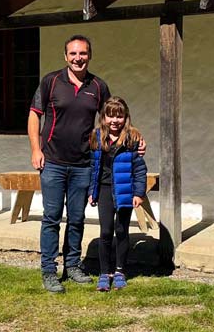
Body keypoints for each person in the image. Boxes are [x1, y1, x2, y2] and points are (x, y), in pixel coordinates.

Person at [27, 34, 142, 292]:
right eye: (73, 54)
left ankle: (72, 266)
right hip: (53, 161)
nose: (78, 58)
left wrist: (134, 138)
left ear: (89, 56)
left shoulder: (98, 86)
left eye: (83, 54)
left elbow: (113, 117)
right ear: (65, 57)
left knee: (77, 218)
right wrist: (36, 149)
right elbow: (35, 116)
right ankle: (49, 271)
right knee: (52, 218)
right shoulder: (51, 82)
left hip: (83, 165)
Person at [88, 98, 146, 291]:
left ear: (125, 117)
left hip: (124, 192)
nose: (114, 120)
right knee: (105, 232)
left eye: (119, 116)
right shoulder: (97, 137)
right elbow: (93, 167)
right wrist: (91, 191)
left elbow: (139, 169)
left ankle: (120, 271)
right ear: (103, 117)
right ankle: (105, 272)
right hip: (104, 189)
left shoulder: (132, 138)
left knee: (121, 231)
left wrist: (139, 193)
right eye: (110, 115)